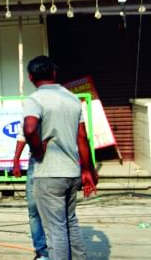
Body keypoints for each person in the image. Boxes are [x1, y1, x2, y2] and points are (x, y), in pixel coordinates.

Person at [23, 56, 98, 260]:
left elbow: (29, 129)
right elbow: (83, 137)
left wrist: (37, 151)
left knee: (55, 230)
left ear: (31, 77)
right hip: (72, 172)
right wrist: (87, 170)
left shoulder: (35, 99)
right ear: (54, 73)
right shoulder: (72, 98)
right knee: (70, 222)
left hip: (49, 174)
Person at [12, 131, 49, 259]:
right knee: (34, 209)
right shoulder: (30, 111)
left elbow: (80, 136)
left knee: (58, 210)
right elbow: (24, 133)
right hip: (36, 160)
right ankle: (42, 252)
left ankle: (60, 251)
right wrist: (16, 159)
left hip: (58, 161)